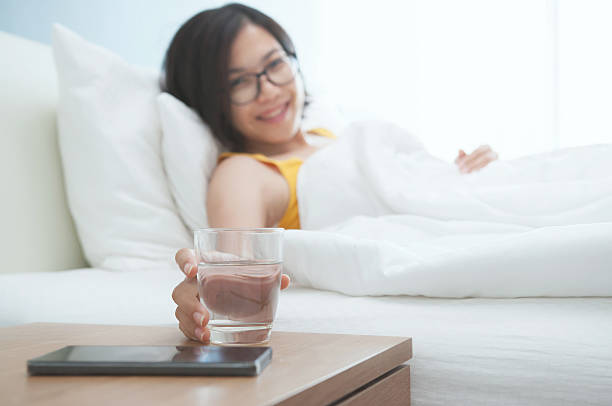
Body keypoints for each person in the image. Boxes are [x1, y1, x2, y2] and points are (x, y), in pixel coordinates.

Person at [163, 3, 499, 342]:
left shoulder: (331, 139)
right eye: (239, 82)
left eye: (275, 65)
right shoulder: (244, 172)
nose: (269, 90)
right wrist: (207, 289)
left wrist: (465, 172)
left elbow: (407, 190)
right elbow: (233, 270)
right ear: (209, 101)